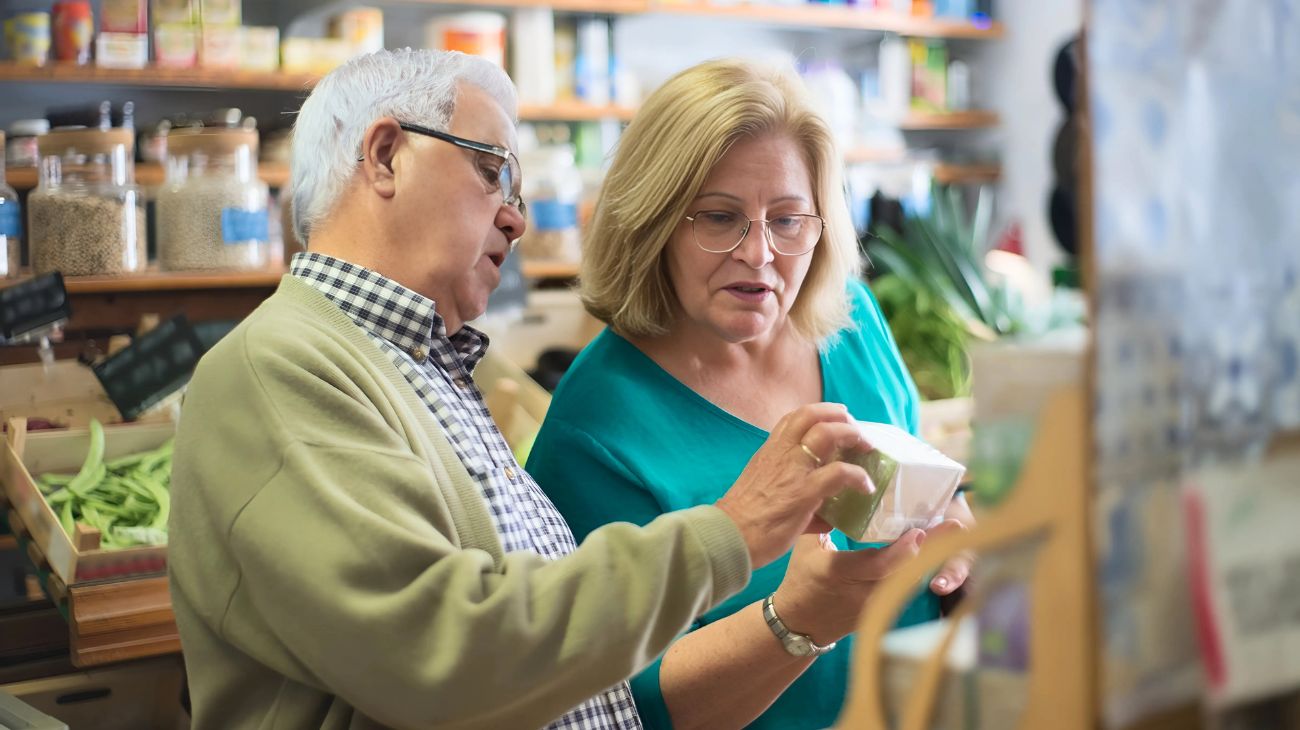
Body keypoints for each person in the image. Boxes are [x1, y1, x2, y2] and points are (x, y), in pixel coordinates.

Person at [166, 49, 907, 730]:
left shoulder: (414, 362)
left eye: (788, 219)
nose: (517, 218)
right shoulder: (279, 369)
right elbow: (443, 654)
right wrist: (734, 534)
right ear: (387, 155)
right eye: (492, 171)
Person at [527, 58, 976, 730]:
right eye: (719, 217)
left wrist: (958, 534)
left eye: (788, 220)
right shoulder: (595, 428)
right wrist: (795, 623)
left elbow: (928, 490)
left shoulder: (852, 323)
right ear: (652, 222)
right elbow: (619, 705)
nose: (759, 253)